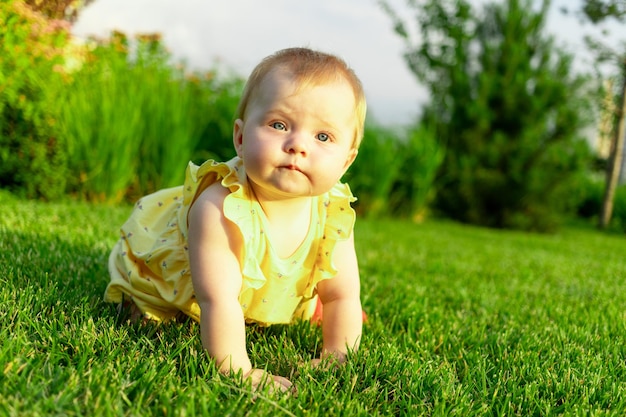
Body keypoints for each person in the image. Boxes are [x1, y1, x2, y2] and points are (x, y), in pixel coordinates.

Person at [105, 47, 367, 393]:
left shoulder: (333, 210)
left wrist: (337, 353)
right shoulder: (220, 206)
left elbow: (342, 295)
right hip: (181, 282)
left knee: (323, 297)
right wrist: (238, 370)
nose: (297, 145)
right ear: (241, 138)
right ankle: (140, 299)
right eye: (279, 124)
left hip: (255, 288)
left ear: (346, 161)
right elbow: (218, 299)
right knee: (155, 312)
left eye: (323, 136)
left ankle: (294, 301)